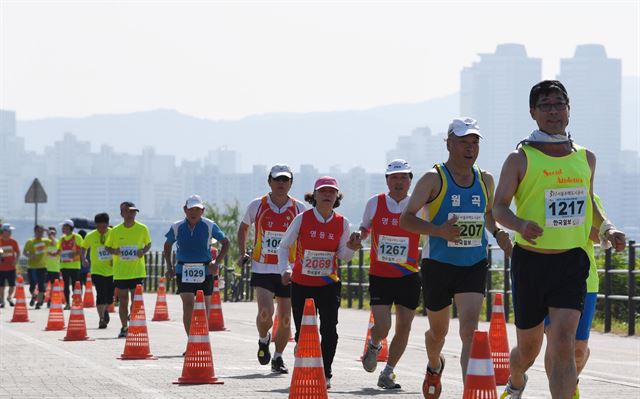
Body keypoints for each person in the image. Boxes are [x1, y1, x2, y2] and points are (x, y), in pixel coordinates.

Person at [492, 80, 626, 399]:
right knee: (529, 349)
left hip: (572, 262)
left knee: (564, 343)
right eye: (546, 105)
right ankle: (516, 377)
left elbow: (588, 200)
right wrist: (519, 223)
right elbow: (498, 206)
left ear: (568, 110)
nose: (553, 111)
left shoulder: (586, 158)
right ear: (533, 113)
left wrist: (607, 228)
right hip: (531, 263)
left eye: (559, 104)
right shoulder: (520, 158)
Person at [400, 117, 512, 399]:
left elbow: (488, 216)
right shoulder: (433, 179)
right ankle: (434, 365)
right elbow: (406, 219)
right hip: (438, 264)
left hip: (472, 263)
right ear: (449, 144)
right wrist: (438, 230)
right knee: (438, 332)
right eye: (463, 141)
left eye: (474, 142)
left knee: (470, 329)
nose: (470, 148)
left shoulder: (485, 179)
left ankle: (470, 392)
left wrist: (498, 234)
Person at [279, 176, 363, 389]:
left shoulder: (342, 222)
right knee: (303, 331)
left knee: (329, 330)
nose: (327, 195)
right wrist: (285, 270)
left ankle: (325, 372)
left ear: (337, 197)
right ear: (314, 196)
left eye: (331, 192)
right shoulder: (302, 219)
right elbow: (283, 245)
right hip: (301, 284)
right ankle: (303, 353)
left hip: (328, 284)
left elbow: (343, 256)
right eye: (323, 191)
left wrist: (353, 247)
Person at [543, 194, 620, 399]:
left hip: (584, 280)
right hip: (547, 279)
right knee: (554, 341)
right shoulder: (543, 188)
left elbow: (600, 237)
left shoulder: (590, 198)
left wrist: (576, 220)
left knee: (578, 350)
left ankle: (570, 382)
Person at [358, 159, 422, 389]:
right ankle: (374, 344)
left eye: (403, 177)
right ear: (387, 180)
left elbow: (430, 227)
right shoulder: (375, 203)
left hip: (408, 275)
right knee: (383, 326)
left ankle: (389, 371)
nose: (399, 182)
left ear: (410, 181)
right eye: (394, 177)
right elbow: (364, 228)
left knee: (404, 326)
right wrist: (358, 236)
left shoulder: (418, 204)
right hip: (381, 275)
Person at [237, 164, 306, 374]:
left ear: (291, 183)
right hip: (262, 266)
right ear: (269, 182)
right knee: (266, 312)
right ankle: (263, 339)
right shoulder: (257, 205)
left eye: (285, 180)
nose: (281, 184)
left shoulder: (300, 208)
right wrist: (243, 253)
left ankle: (278, 357)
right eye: (277, 180)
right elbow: (243, 228)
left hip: (287, 269)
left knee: (285, 318)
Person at [164, 195, 230, 343]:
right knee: (188, 304)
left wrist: (216, 262)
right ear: (185, 210)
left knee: (203, 307)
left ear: (202, 211)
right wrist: (169, 266)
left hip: (205, 270)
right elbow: (167, 245)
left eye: (197, 209)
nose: (193, 212)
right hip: (183, 269)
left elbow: (226, 243)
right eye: (191, 209)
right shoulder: (177, 226)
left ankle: (201, 338)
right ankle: (191, 340)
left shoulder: (209, 225)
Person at [105, 201, 152, 338]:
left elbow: (148, 244)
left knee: (136, 300)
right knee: (123, 300)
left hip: (137, 271)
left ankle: (132, 317)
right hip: (120, 272)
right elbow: (107, 247)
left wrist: (143, 251)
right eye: (128, 211)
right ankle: (124, 327)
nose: (131, 214)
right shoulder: (115, 231)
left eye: (133, 211)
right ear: (122, 213)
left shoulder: (142, 228)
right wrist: (114, 250)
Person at [81, 213, 114, 329]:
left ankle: (105, 310)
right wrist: (83, 258)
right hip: (97, 270)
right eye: (98, 227)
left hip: (112, 271)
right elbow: (83, 247)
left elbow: (120, 246)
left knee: (110, 297)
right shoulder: (90, 236)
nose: (101, 229)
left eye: (104, 227)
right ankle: (101, 319)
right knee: (101, 294)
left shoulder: (113, 233)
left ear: (107, 224)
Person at [23, 225, 50, 309]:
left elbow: (54, 242)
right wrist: (30, 256)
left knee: (41, 285)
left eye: (42, 231)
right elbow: (24, 252)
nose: (40, 233)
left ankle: (39, 303)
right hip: (32, 267)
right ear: (35, 232)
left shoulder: (46, 241)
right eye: (38, 231)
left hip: (42, 267)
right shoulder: (30, 241)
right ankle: (34, 296)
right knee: (32, 286)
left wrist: (48, 231)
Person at [58, 219, 84, 309]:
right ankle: (67, 303)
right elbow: (59, 250)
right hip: (64, 265)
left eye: (64, 227)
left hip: (75, 265)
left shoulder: (77, 237)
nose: (63, 229)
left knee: (75, 285)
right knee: (65, 285)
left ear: (70, 227)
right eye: (62, 227)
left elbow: (81, 250)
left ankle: (76, 302)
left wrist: (76, 254)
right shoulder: (61, 239)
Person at [0, 223, 20, 308]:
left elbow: (18, 252)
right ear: (4, 231)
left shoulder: (13, 241)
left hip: (11, 267)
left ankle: (9, 297)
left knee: (12, 285)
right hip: (1, 268)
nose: (10, 232)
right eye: (9, 231)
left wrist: (16, 260)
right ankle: (2, 300)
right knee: (1, 285)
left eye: (10, 231)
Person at [45, 227, 61, 307]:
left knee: (52, 286)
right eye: (50, 233)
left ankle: (50, 300)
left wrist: (50, 234)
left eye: (53, 233)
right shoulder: (45, 242)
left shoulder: (57, 242)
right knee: (43, 285)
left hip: (55, 268)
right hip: (46, 267)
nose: (51, 235)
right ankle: (41, 295)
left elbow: (55, 243)